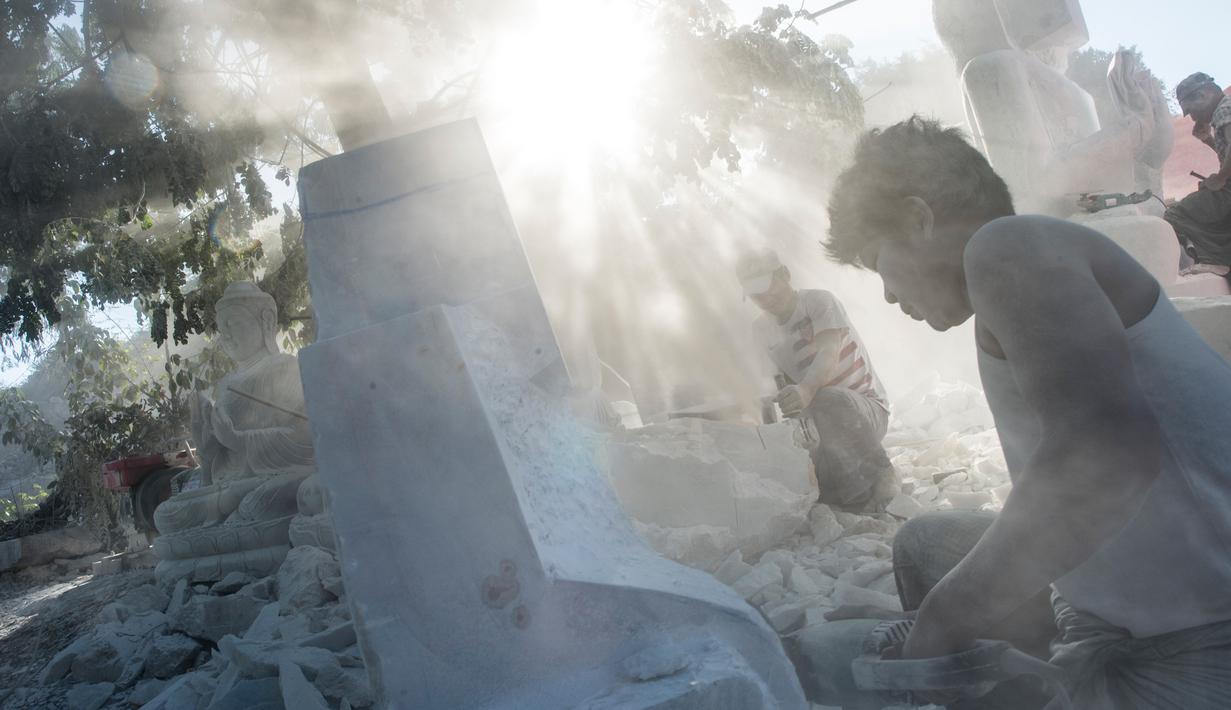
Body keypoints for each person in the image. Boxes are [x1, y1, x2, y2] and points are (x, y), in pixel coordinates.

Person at [799, 116, 1231, 709]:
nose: (890, 297)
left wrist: (943, 620)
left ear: (918, 218)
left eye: (880, 264)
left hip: (1199, 646)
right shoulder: (1022, 269)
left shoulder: (1010, 248)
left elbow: (1109, 458)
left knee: (822, 667)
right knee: (926, 544)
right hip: (1129, 607)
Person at [736, 248, 896, 512]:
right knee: (816, 485)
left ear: (785, 275)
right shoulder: (761, 330)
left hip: (866, 414)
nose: (764, 298)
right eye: (755, 294)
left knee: (829, 398)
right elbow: (777, 386)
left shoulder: (819, 302)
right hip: (821, 424)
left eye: (767, 287)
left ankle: (882, 473)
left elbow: (828, 352)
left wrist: (806, 390)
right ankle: (844, 492)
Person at [1164, 72, 1231, 273]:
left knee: (1176, 213)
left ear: (1202, 96)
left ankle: (1217, 261)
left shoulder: (1223, 111)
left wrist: (1220, 178)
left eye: (1190, 111)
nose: (1192, 117)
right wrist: (1207, 139)